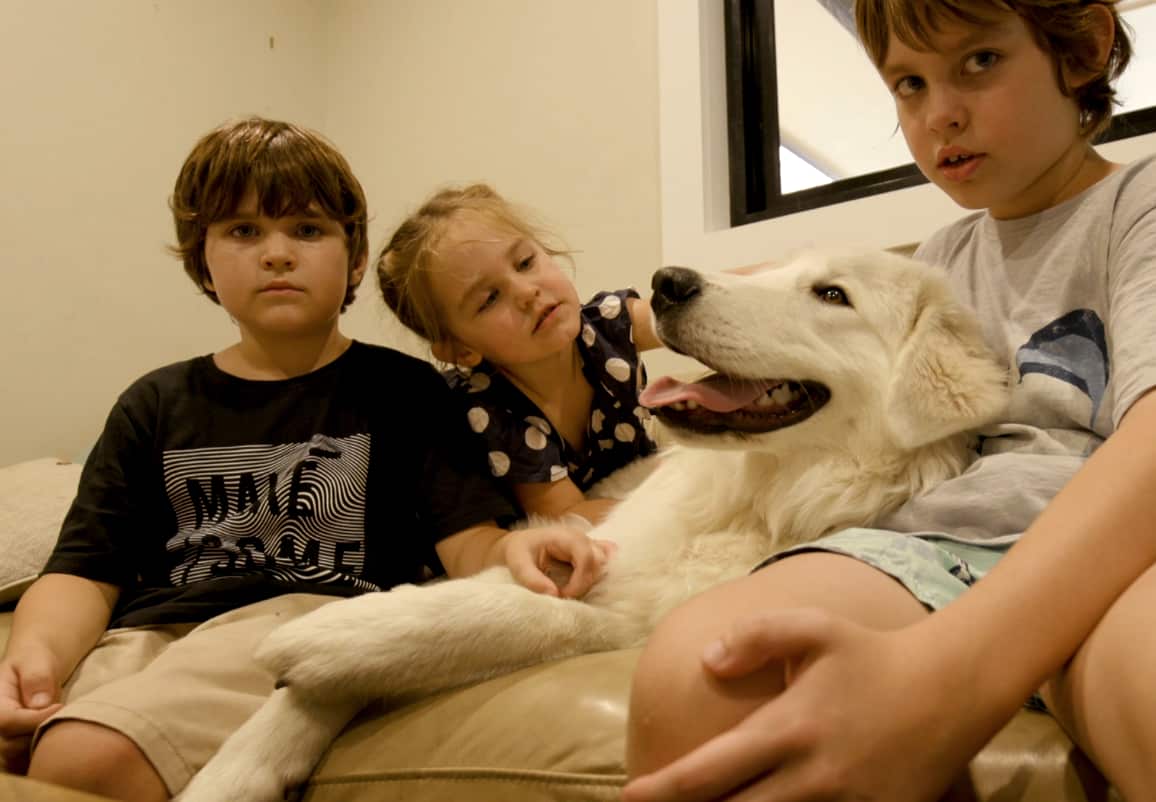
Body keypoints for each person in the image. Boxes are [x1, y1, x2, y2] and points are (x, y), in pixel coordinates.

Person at [623, 1, 1156, 800]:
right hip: (943, 535)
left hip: (1121, 546)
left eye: (979, 61)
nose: (939, 113)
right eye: (909, 83)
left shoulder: (1138, 204)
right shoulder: (945, 253)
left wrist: (956, 669)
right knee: (704, 671)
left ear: (1082, 51)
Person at [0, 117, 608, 801]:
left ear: (353, 260)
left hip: (299, 625)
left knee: (84, 760)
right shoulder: (153, 402)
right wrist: (35, 658)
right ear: (203, 261)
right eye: (243, 231)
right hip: (147, 635)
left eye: (308, 230)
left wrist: (520, 553)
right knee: (41, 747)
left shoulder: (403, 391)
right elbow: (85, 569)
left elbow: (469, 544)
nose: (277, 253)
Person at [377, 184, 664, 524]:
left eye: (526, 262)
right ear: (461, 350)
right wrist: (679, 508)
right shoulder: (490, 411)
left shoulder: (607, 323)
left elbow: (690, 312)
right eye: (489, 299)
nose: (527, 292)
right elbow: (568, 515)